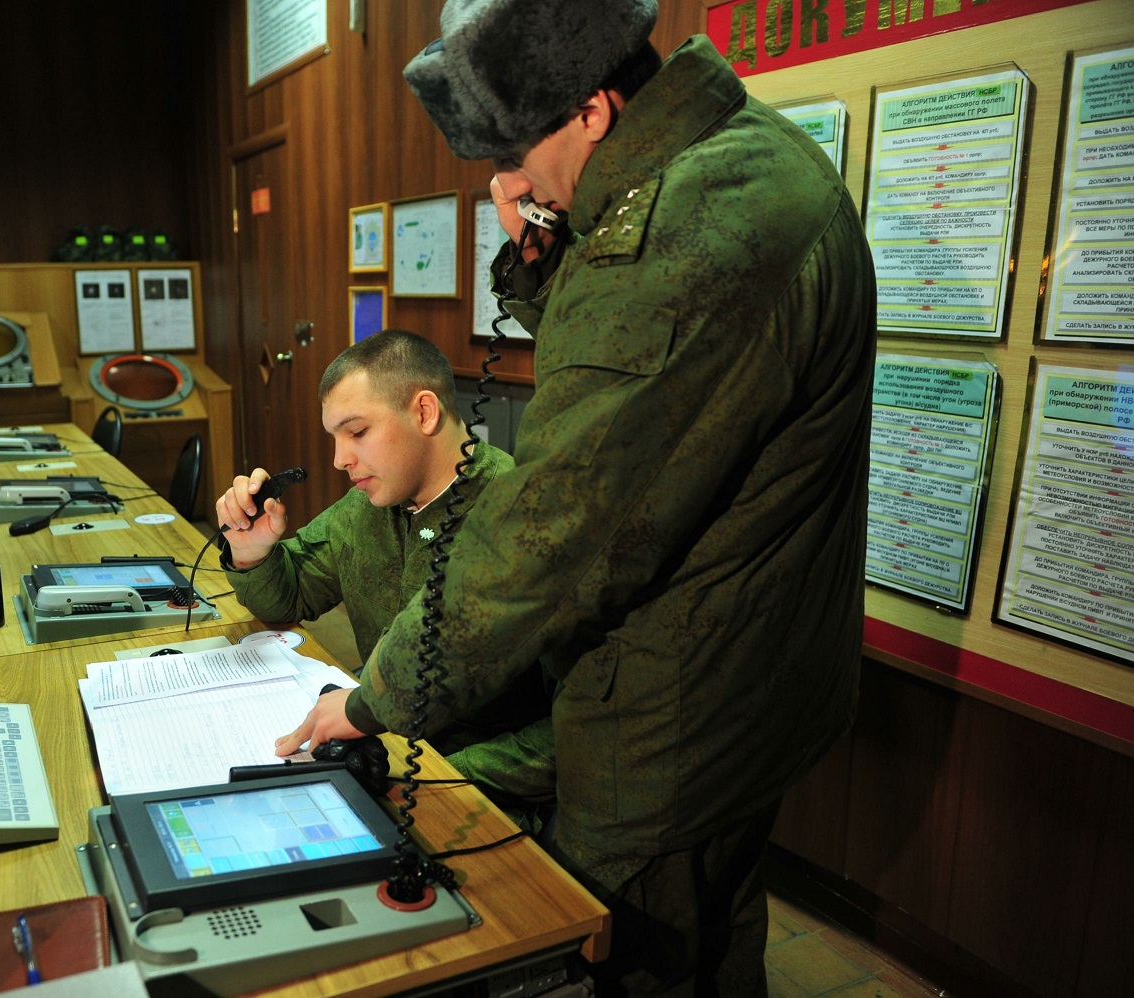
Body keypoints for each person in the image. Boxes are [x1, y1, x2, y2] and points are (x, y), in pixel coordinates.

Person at [275, 1, 878, 993]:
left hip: (670, 716)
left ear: (594, 110)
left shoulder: (684, 233)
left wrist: (376, 698)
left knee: (640, 950)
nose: (510, 185)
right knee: (719, 925)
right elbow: (654, 415)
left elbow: (549, 535)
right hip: (758, 681)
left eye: (518, 154)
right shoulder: (743, 157)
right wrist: (548, 256)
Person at [217, 328, 552, 800]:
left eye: (357, 432)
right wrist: (253, 552)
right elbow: (288, 599)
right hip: (380, 763)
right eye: (335, 438)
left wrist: (434, 778)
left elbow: (572, 734)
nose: (338, 459)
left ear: (424, 412)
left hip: (473, 794)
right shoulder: (369, 507)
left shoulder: (525, 512)